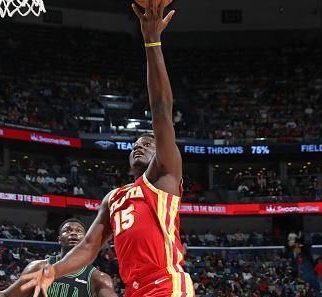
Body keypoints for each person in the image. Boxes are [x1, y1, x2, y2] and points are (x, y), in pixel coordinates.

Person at [20, 1, 194, 296]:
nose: (140, 147)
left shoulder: (165, 173)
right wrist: (54, 270)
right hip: (134, 290)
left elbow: (161, 108)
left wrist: (152, 42)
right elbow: (88, 247)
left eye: (148, 144)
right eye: (136, 145)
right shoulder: (114, 198)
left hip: (166, 284)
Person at [0, 218, 116, 297]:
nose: (73, 233)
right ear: (59, 239)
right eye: (68, 230)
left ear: (85, 239)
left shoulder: (98, 278)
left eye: (78, 231)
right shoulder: (39, 267)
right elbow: (7, 295)